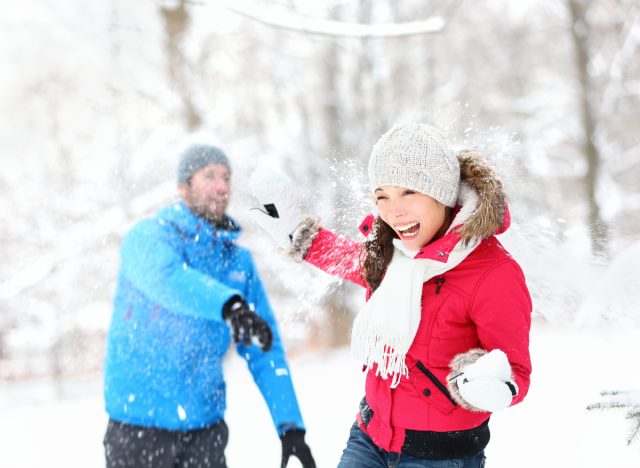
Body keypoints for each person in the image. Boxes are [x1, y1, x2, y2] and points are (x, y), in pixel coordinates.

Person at [251, 123, 532, 467]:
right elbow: (350, 260)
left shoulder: (493, 273)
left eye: (408, 192)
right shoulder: (390, 251)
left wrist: (485, 383)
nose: (393, 211)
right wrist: (299, 235)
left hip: (440, 457)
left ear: (441, 192)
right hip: (370, 437)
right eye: (382, 196)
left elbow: (516, 372)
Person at [103, 144, 316, 468]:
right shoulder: (145, 238)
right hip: (138, 430)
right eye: (210, 176)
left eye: (227, 177)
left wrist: (290, 427)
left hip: (205, 432)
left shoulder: (238, 263)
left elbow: (264, 348)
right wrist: (228, 305)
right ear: (183, 187)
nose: (222, 186)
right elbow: (168, 280)